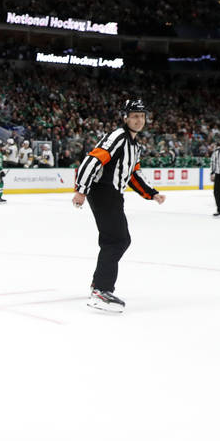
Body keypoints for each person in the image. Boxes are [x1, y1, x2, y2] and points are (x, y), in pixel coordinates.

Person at [72, 98, 165, 313]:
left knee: (119, 240)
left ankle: (99, 286)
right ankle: (101, 290)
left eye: (141, 116)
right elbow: (92, 160)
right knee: (116, 240)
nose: (138, 120)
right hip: (103, 192)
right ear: (125, 117)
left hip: (113, 194)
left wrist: (152, 193)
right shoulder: (118, 137)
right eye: (134, 116)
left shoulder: (134, 144)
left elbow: (132, 174)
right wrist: (81, 190)